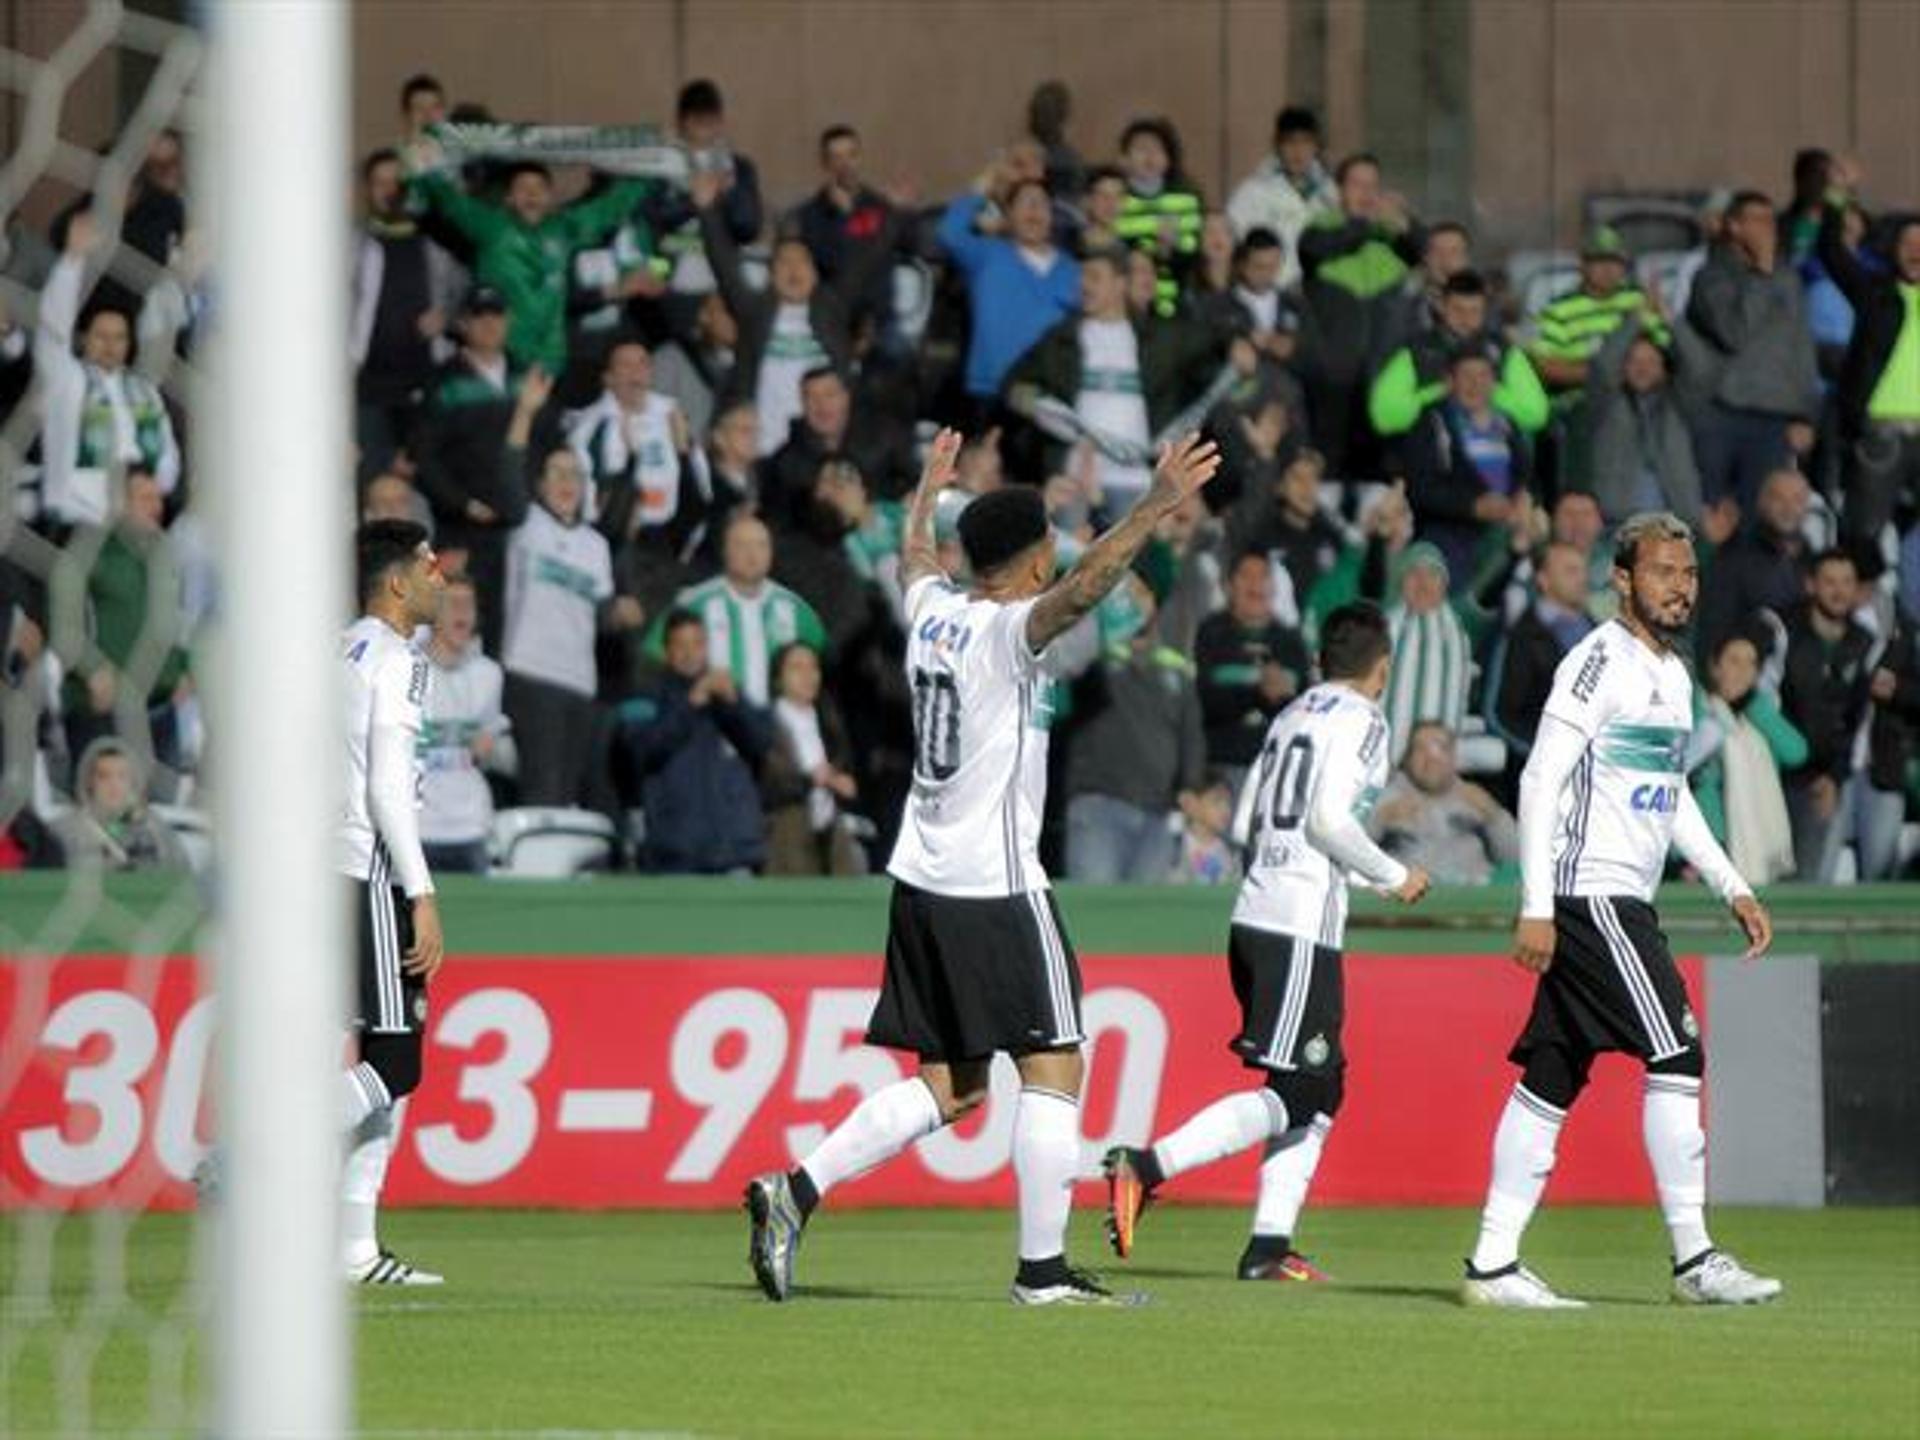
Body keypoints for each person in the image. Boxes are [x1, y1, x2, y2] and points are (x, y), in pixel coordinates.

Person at [743, 430, 1224, 1307]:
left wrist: (926, 491)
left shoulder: (930, 611)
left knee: (953, 1087)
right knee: (1057, 1061)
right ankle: (1042, 1275)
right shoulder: (1009, 630)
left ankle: (793, 1191)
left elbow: (914, 557)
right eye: (1050, 550)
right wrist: (1155, 504)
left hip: (921, 880)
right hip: (994, 884)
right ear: (1037, 558)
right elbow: (1084, 594)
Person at [1461, 511, 1778, 1309]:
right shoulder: (1597, 663)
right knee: (1677, 1051)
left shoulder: (1672, 676)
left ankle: (1492, 1266)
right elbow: (1539, 780)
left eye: (1689, 573)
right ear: (1625, 580)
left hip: (1615, 893)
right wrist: (1535, 906)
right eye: (1664, 573)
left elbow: (1667, 799)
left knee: (1551, 1076)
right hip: (1591, 892)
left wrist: (1728, 882)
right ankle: (1694, 1260)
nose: (1681, 587)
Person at [1101, 602, 1430, 1280]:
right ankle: (1147, 1167)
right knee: (1302, 1092)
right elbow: (1330, 820)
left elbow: (1250, 816)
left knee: (1319, 1085)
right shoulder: (1366, 720)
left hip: (1257, 913)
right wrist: (1392, 875)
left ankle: (1269, 1246)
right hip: (1299, 923)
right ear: (1382, 670)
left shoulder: (1290, 715)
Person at [337, 519, 449, 1285]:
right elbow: (385, 788)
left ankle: (354, 1249)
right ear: (396, 583)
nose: (440, 575)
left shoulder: (332, 651)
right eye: (428, 564)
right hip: (367, 870)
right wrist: (422, 893)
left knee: (362, 1054)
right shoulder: (399, 662)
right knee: (397, 1060)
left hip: (310, 874)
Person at [406, 143, 649, 374]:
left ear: (550, 197)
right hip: (500, 357)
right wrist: (426, 164)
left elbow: (609, 208)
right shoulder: (491, 227)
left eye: (539, 188)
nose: (532, 194)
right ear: (508, 197)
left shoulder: (564, 229)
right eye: (523, 188)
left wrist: (653, 168)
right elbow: (451, 202)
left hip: (550, 360)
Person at [501, 447, 635, 805]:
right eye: (557, 472)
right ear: (540, 483)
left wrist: (619, 613)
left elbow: (603, 617)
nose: (566, 482)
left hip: (579, 682)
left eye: (574, 474)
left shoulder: (596, 546)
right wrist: (525, 415)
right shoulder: (526, 524)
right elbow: (508, 470)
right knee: (541, 788)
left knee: (568, 793)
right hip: (531, 672)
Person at [34, 208, 182, 528]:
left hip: (140, 522)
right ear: (85, 339)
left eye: (119, 337)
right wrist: (72, 261)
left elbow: (168, 459)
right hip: (79, 524)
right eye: (101, 336)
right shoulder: (69, 381)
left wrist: (146, 489)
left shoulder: (144, 391)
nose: (110, 345)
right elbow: (51, 332)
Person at [1061, 575, 1207, 882]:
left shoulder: (1177, 667)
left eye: (1141, 594)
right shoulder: (1092, 656)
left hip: (1159, 814)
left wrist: (1191, 786)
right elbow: (1068, 676)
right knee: (1091, 918)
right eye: (1125, 597)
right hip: (1098, 807)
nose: (1135, 602)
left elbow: (1191, 736)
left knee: (1147, 925)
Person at [1686, 191, 1820, 511]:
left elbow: (1800, 348)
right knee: (1711, 511)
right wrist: (1761, 274)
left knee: (1761, 512)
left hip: (1775, 420)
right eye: (1757, 220)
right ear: (1733, 226)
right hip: (1720, 413)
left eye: (1771, 220)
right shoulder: (1711, 277)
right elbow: (1735, 332)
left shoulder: (1787, 277)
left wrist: (1806, 414)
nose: (1768, 228)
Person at [621, 608, 773, 874]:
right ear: (667, 651)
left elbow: (762, 743)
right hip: (675, 855)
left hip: (735, 853)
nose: (690, 653)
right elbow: (641, 751)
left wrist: (734, 703)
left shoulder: (729, 696)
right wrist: (691, 704)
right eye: (681, 645)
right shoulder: (646, 699)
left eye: (697, 644)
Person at [1814, 197, 1920, 546]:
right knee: (1864, 532)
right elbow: (1831, 252)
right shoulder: (1876, 293)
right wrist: (1836, 199)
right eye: (1908, 244)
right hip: (1881, 432)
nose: (1915, 251)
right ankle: (1856, 598)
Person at [352, 147, 461, 483]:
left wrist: (447, 316)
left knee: (427, 483)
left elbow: (469, 296)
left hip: (425, 386)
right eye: (379, 183)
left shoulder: (437, 246)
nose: (389, 191)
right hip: (367, 388)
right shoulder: (349, 244)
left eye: (396, 182)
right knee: (373, 483)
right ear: (367, 190)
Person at [938, 170, 1080, 413]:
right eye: (1026, 203)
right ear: (1008, 216)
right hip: (992, 387)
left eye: (1041, 204)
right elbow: (949, 233)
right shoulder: (987, 254)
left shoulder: (1073, 269)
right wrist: (980, 191)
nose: (1034, 211)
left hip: (1052, 392)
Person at [1778, 548, 1874, 882]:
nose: (1839, 591)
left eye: (1847, 582)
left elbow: (1856, 720)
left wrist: (1833, 776)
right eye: (1830, 581)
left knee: (1813, 876)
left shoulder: (1864, 642)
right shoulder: (1785, 633)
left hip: (1828, 780)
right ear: (1811, 585)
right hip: (1780, 774)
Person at [665, 512, 827, 707]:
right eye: (741, 545)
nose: (753, 554)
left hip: (779, 729)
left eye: (761, 545)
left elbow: (821, 666)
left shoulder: (796, 609)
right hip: (712, 723)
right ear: (724, 551)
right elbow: (657, 662)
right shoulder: (692, 604)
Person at [419, 574, 515, 875]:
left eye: (469, 605)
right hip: (418, 827)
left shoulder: (489, 674)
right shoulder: (403, 670)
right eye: (452, 604)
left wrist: (494, 747)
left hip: (472, 826)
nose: (462, 612)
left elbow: (501, 757)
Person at [1690, 632, 1803, 886]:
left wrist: (1753, 705)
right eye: (1734, 661)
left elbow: (1796, 752)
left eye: (1751, 664)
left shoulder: (1757, 718)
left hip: (1753, 843)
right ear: (1714, 666)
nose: (1743, 671)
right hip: (1705, 848)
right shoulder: (1695, 707)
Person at [1489, 540, 1595, 802]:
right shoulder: (1520, 637)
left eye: (1582, 570)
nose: (1581, 579)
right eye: (1570, 571)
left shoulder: (1601, 634)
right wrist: (1547, 757)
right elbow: (1500, 714)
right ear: (1544, 580)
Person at [1194, 549, 1310, 775]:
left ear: (1274, 587)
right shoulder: (1211, 633)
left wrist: (1281, 698)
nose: (1255, 584)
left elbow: (1305, 714)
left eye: (1263, 576)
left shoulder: (1292, 642)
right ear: (1228, 585)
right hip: (1219, 767)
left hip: (1277, 770)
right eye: (1246, 575)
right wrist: (1257, 692)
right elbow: (1200, 703)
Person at [1371, 720, 1520, 885]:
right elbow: (1350, 852)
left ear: (1454, 758)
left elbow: (1517, 859)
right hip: (1411, 898)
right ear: (1407, 759)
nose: (1432, 758)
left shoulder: (1475, 797)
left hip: (1473, 895)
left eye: (1442, 748)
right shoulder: (1387, 796)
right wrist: (1381, 819)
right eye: (1421, 749)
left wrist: (1494, 816)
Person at [762, 641, 862, 876]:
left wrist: (841, 780)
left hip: (830, 828)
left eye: (813, 667)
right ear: (778, 678)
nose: (808, 676)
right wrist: (812, 779)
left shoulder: (827, 720)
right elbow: (771, 780)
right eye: (797, 668)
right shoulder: (768, 725)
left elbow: (841, 762)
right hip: (787, 831)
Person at [1226, 106, 1337, 291]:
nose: (1298, 151)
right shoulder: (1252, 192)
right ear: (1278, 145)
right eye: (1290, 142)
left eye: (1306, 142)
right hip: (1271, 292)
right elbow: (1234, 240)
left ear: (1316, 146)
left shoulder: (1332, 194)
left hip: (1321, 294)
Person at [54, 736, 189, 871]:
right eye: (104, 776)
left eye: (122, 776)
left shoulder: (155, 829)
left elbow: (181, 877)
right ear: (89, 781)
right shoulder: (66, 831)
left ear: (132, 780)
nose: (114, 785)